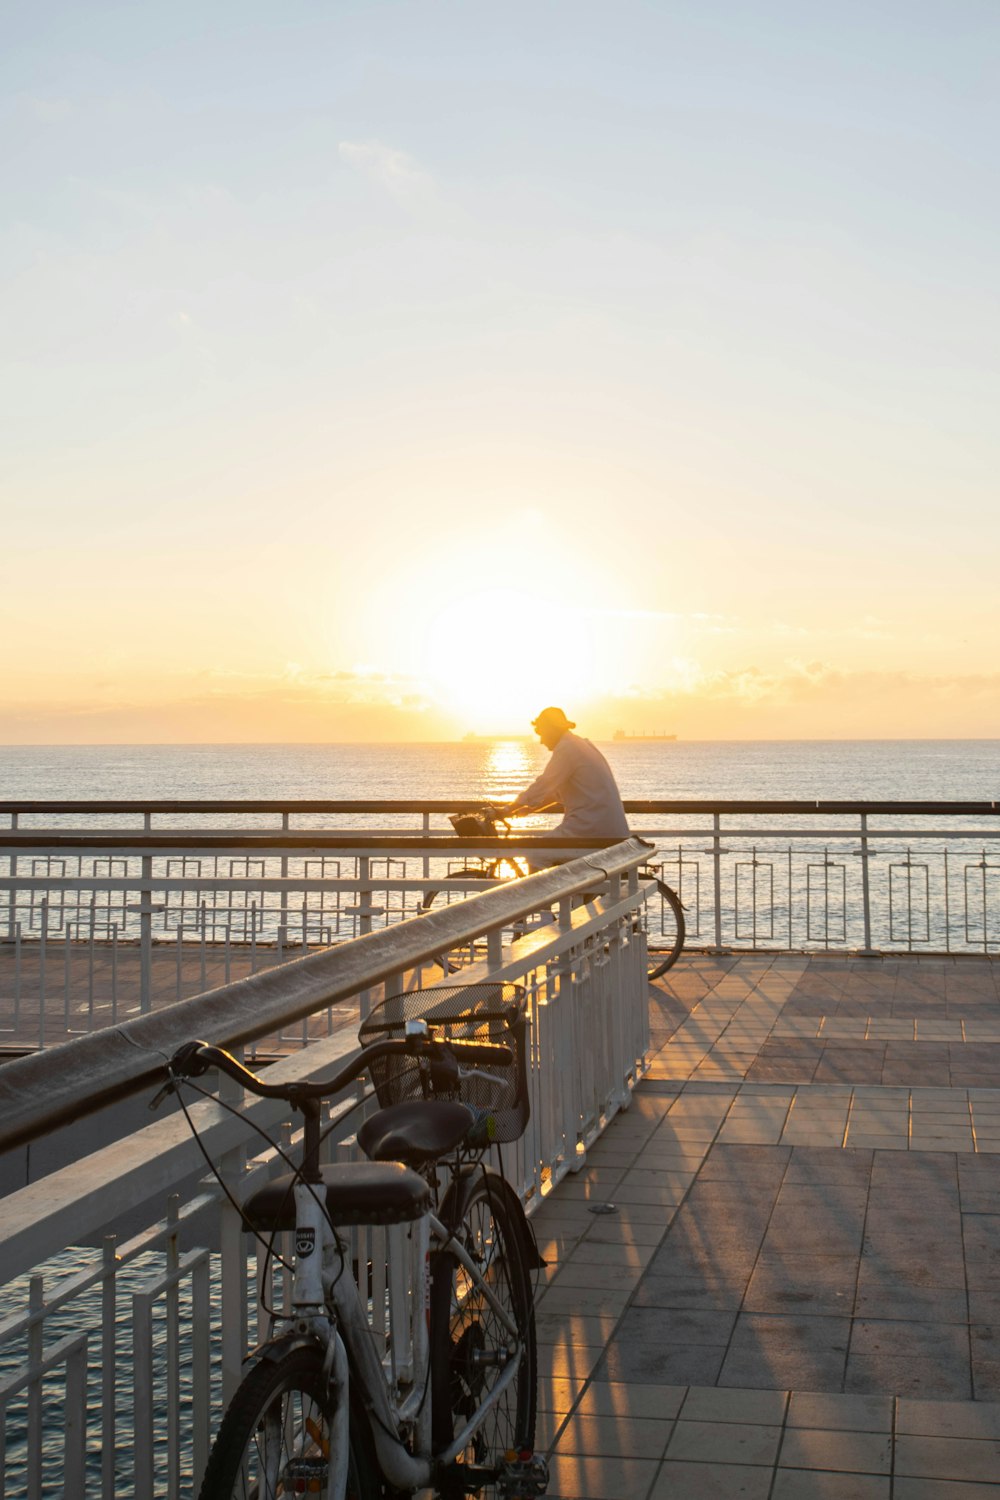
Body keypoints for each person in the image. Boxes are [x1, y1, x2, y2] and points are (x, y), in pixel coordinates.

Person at [499, 707, 630, 841]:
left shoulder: (567, 748)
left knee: (536, 854)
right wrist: (530, 808)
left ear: (551, 730)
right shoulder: (582, 744)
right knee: (549, 852)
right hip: (613, 829)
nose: (541, 741)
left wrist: (507, 809)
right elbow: (555, 794)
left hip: (591, 828)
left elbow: (543, 785)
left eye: (542, 734)